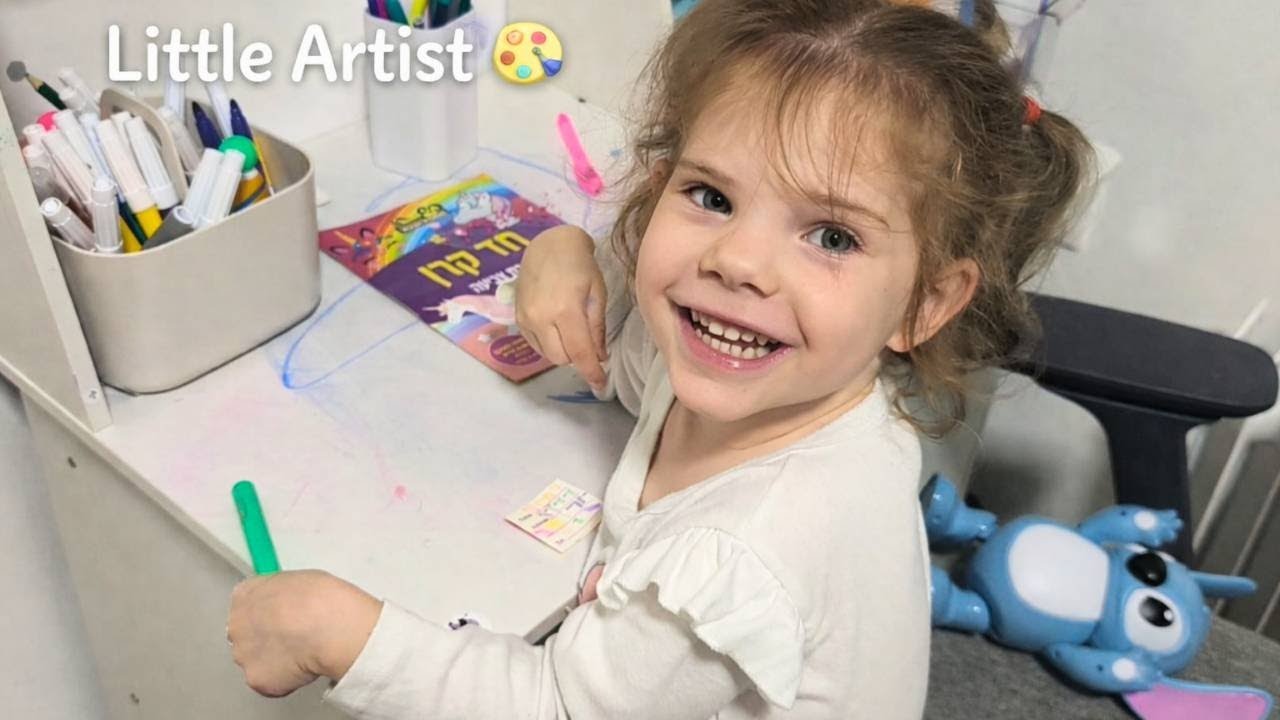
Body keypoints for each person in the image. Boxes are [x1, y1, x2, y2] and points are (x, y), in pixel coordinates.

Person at [226, 1, 1093, 717]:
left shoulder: (752, 546)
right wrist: (559, 250)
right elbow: (632, 365)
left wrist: (336, 629)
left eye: (831, 235)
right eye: (710, 196)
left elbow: (554, 708)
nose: (737, 262)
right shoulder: (757, 379)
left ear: (927, 304)